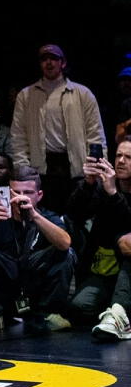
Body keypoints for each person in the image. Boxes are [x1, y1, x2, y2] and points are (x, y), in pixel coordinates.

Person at [0, 165, 75, 334]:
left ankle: (50, 313)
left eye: (27, 192)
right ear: (7, 192)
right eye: (15, 192)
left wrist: (34, 215)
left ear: (39, 195)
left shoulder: (47, 216)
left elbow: (65, 243)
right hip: (4, 277)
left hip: (34, 279)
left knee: (66, 252)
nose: (20, 197)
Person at [10, 44, 105, 212]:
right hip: (42, 168)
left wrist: (96, 171)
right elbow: (18, 136)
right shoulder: (26, 95)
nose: (49, 63)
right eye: (44, 59)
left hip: (76, 167)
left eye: (54, 59)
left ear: (63, 63)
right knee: (45, 219)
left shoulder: (82, 94)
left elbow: (95, 135)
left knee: (77, 217)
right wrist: (23, 169)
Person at [67, 137, 131, 340]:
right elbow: (74, 214)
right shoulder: (102, 187)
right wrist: (88, 183)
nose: (121, 161)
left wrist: (113, 193)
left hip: (128, 267)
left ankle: (120, 313)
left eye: (128, 157)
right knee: (79, 307)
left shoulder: (110, 189)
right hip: (104, 270)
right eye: (118, 155)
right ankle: (116, 307)